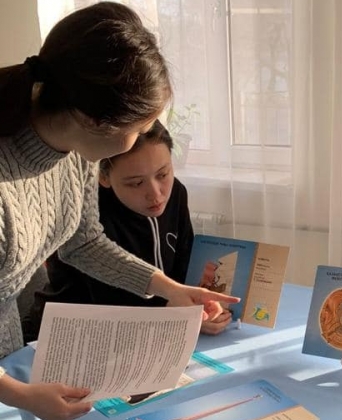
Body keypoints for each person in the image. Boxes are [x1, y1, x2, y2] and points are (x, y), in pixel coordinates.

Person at [0, 1, 237, 420]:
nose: (145, 136)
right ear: (93, 119)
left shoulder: (74, 151)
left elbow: (83, 243)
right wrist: (22, 396)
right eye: (140, 128)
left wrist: (169, 288)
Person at [24, 120, 232, 338]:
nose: (156, 194)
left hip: (151, 326)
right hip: (70, 333)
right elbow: (107, 302)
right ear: (102, 176)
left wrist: (201, 307)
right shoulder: (85, 217)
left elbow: (183, 267)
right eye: (136, 183)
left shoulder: (176, 193)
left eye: (163, 174)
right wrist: (177, 314)